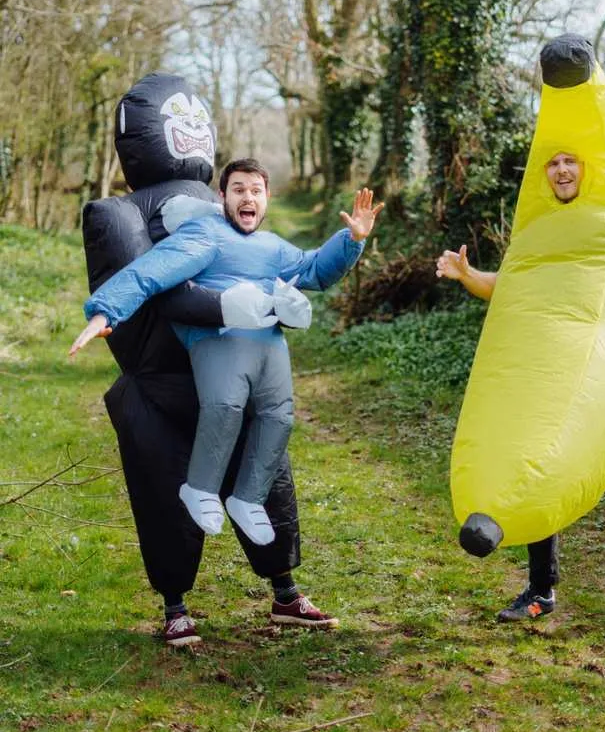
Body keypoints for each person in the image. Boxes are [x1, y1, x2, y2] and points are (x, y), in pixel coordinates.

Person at [436, 149, 605, 639]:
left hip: (603, 394)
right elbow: (511, 288)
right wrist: (468, 276)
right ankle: (541, 592)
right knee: (536, 476)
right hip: (545, 383)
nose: (562, 170)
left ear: (591, 168)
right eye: (553, 162)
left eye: (572, 161)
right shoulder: (540, 233)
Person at [72, 158, 382, 550]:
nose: (247, 197)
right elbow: (151, 270)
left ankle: (247, 498)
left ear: (267, 199)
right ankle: (199, 488)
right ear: (223, 197)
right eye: (238, 190)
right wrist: (105, 310)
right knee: (225, 407)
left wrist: (352, 239)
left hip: (267, 343)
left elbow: (315, 269)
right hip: (217, 337)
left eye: (256, 190)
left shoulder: (272, 247)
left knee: (280, 417)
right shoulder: (207, 233)